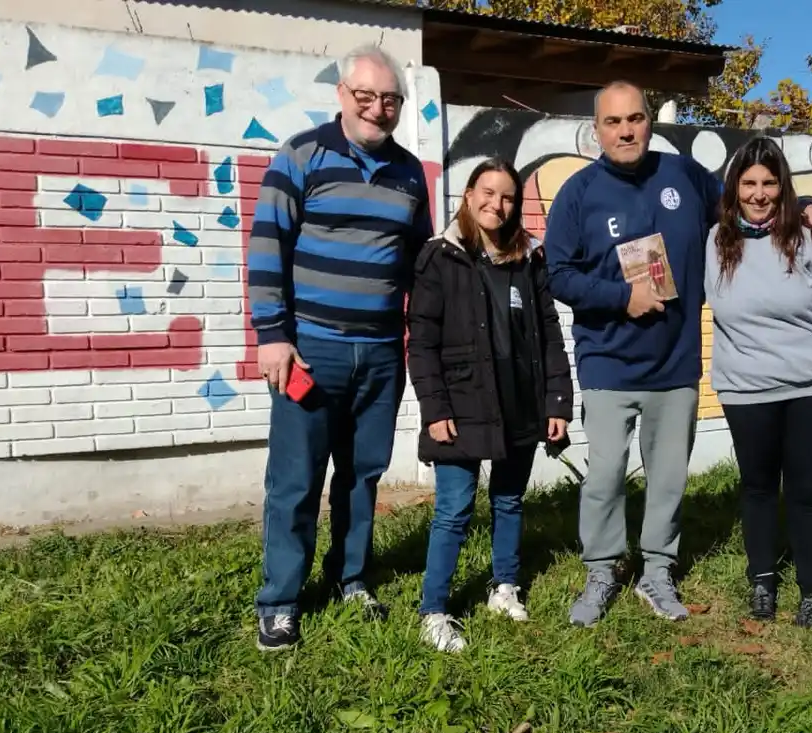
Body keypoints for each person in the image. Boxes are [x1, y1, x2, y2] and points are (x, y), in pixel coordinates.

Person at [543, 80, 812, 628]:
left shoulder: (680, 175)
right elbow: (557, 273)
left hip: (676, 366)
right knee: (605, 475)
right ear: (596, 130)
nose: (626, 130)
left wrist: (808, 205)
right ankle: (602, 569)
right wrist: (620, 296)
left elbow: (748, 198)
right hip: (607, 363)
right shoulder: (578, 193)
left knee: (669, 479)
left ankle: (657, 571)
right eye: (614, 122)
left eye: (635, 118)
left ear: (649, 121)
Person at [246, 45, 432, 651]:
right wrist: (272, 336)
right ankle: (280, 599)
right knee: (296, 481)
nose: (379, 109)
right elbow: (268, 244)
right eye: (367, 97)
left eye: (391, 100)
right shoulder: (302, 154)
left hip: (381, 354)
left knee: (363, 476)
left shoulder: (409, 173)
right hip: (310, 353)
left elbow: (418, 262)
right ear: (342, 95)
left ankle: (350, 576)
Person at [406, 158, 574, 653]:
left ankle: (505, 586)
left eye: (506, 197)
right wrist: (435, 409)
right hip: (459, 405)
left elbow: (548, 336)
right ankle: (434, 610)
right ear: (468, 194)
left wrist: (557, 401)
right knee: (454, 511)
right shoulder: (440, 256)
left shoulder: (527, 259)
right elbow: (421, 343)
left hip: (519, 403)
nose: (495, 204)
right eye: (487, 192)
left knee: (508, 501)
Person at [704, 137, 812, 629]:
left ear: (783, 186)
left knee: (804, 492)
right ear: (734, 188)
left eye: (769, 183)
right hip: (745, 389)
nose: (758, 193)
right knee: (755, 488)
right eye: (748, 183)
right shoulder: (714, 241)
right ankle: (762, 581)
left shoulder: (811, 237)